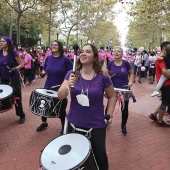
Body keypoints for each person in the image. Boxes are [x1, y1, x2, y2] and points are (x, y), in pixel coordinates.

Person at [58, 44, 116, 170]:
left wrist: (109, 114)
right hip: (74, 123)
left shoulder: (103, 77)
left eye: (88, 52)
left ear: (95, 57)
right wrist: (68, 85)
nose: (83, 53)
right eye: (82, 51)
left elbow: (112, 96)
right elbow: (61, 96)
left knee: (99, 157)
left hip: (96, 125)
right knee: (74, 157)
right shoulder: (71, 74)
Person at [36, 40, 73, 134]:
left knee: (61, 109)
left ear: (60, 47)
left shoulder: (66, 59)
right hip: (48, 86)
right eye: (52, 44)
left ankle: (64, 127)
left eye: (56, 45)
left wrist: (69, 85)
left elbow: (71, 73)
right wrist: (43, 73)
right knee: (43, 106)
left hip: (60, 88)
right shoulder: (48, 58)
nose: (53, 46)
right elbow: (45, 68)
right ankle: (44, 123)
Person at [106, 46, 134, 135]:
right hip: (112, 89)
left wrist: (130, 81)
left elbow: (131, 73)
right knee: (109, 107)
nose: (116, 53)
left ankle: (123, 126)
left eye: (118, 51)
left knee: (124, 109)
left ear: (122, 54)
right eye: (115, 51)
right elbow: (106, 74)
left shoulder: (126, 63)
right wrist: (108, 78)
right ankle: (106, 121)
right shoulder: (110, 64)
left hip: (124, 89)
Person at [0, 36, 25, 124]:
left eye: (3, 41)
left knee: (16, 97)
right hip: (3, 78)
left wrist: (14, 69)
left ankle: (21, 115)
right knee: (2, 96)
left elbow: (21, 65)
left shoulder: (13, 52)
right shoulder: (0, 52)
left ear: (8, 43)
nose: (1, 43)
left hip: (13, 78)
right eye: (0, 41)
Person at [149, 43, 170, 127]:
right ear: (164, 49)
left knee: (165, 101)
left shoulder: (164, 58)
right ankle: (160, 121)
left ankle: (154, 115)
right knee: (164, 103)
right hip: (166, 84)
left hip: (166, 83)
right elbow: (164, 72)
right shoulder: (162, 59)